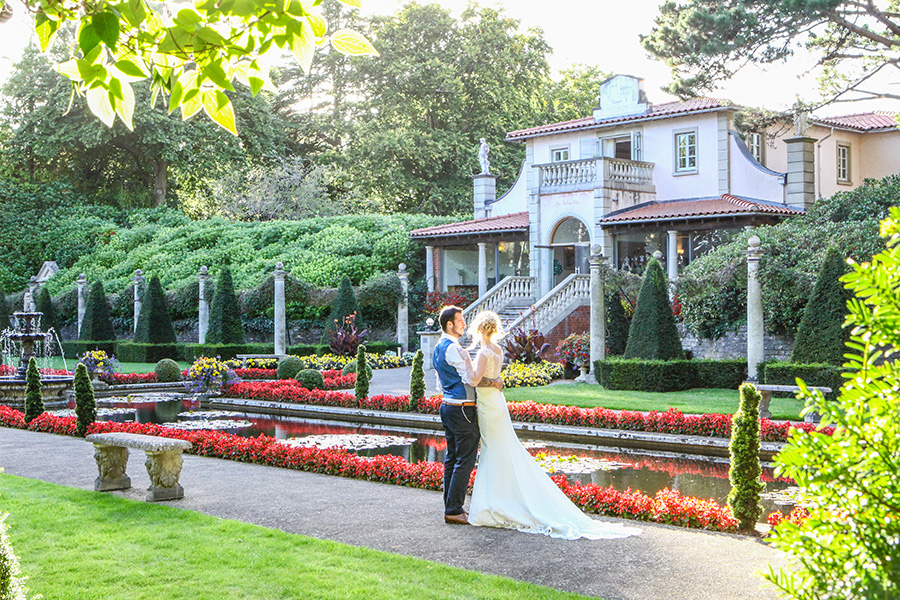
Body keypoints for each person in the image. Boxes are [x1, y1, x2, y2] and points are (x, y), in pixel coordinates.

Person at [464, 311, 641, 540]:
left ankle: (493, 504)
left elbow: (474, 379)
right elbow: (498, 379)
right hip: (497, 403)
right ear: (494, 329)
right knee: (501, 449)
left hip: (489, 405)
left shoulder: (484, 353)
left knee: (492, 450)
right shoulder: (498, 351)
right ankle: (497, 500)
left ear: (479, 330)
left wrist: (467, 363)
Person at [433, 305, 502, 525]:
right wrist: (495, 382)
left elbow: (441, 382)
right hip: (462, 408)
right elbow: (472, 380)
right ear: (449, 324)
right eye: (460, 321)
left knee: (453, 458)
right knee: (465, 460)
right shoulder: (453, 348)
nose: (464, 324)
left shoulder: (440, 346)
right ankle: (454, 509)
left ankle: (451, 506)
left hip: (448, 406)